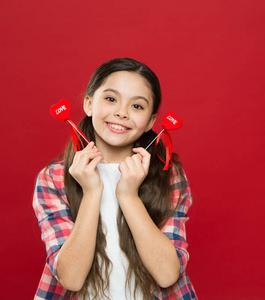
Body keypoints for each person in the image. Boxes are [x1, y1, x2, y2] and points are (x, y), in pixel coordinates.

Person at [33, 58, 197, 299]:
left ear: (151, 121)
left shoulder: (168, 175)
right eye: (111, 99)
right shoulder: (54, 177)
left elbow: (167, 274)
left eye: (137, 106)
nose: (121, 112)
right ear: (89, 104)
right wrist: (90, 193)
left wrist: (128, 195)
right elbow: (71, 278)